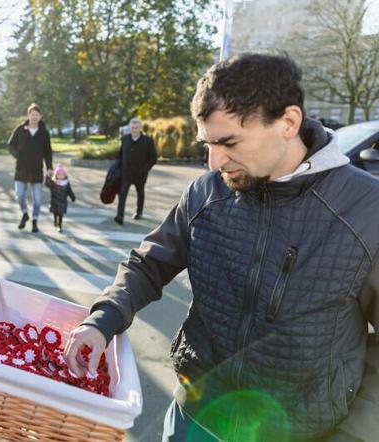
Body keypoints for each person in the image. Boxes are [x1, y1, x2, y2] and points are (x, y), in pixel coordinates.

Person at [64, 53, 379, 441]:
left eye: (228, 142)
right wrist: (102, 321)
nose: (215, 161)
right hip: (193, 418)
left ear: (288, 123)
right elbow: (147, 265)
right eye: (207, 144)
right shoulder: (205, 192)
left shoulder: (367, 209)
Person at [8, 103, 53, 233]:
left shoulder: (44, 133)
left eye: (37, 115)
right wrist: (17, 155)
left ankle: (34, 221)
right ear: (28, 115)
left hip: (37, 170)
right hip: (21, 169)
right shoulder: (20, 129)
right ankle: (25, 214)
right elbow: (10, 144)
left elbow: (48, 152)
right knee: (19, 195)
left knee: (37, 200)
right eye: (32, 114)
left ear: (40, 116)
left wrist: (49, 167)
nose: (34, 117)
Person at [114, 118, 157, 225]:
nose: (134, 130)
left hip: (140, 174)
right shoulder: (125, 139)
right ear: (130, 128)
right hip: (125, 173)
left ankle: (139, 212)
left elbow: (153, 158)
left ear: (140, 128)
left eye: (136, 128)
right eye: (132, 128)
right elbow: (120, 155)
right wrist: (117, 168)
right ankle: (120, 216)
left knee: (140, 193)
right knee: (122, 194)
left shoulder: (148, 140)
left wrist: (145, 169)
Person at [45, 164, 76, 233]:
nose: (60, 176)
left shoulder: (66, 183)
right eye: (59, 174)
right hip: (54, 201)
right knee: (55, 213)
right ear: (56, 175)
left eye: (62, 175)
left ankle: (60, 226)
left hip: (62, 202)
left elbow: (69, 191)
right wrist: (47, 176)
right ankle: (55, 220)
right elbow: (47, 184)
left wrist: (72, 197)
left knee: (61, 214)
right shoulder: (53, 183)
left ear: (65, 175)